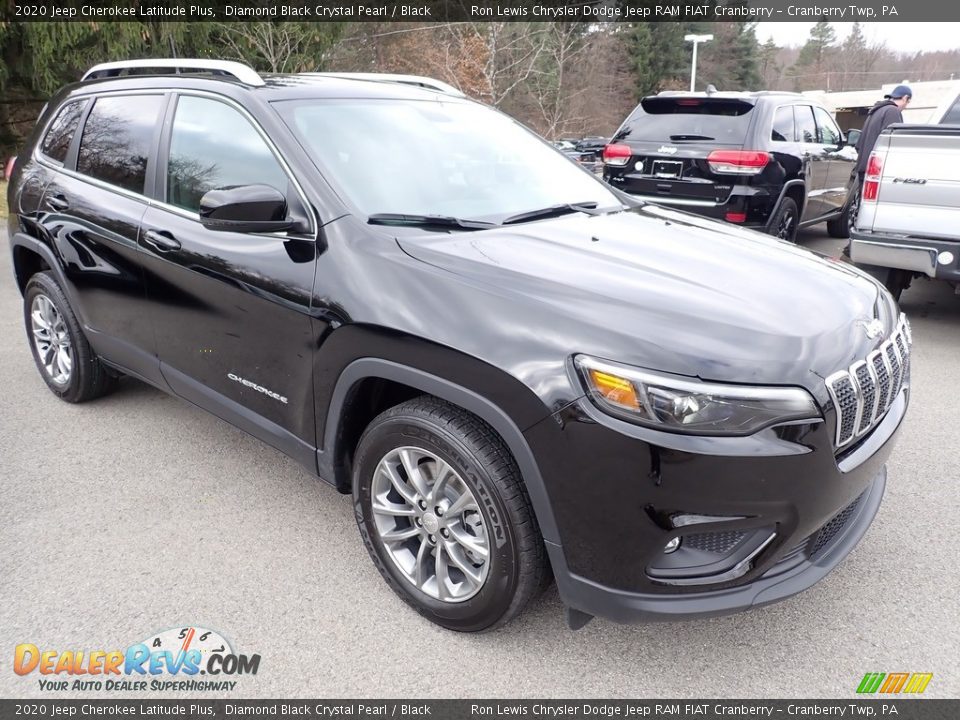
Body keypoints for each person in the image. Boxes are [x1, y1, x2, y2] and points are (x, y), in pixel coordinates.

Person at [841, 85, 912, 254]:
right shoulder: (892, 112)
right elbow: (893, 142)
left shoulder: (875, 111)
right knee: (872, 210)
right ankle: (859, 247)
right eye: (907, 102)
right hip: (878, 169)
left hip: (865, 166)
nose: (905, 106)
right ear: (904, 98)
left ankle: (853, 244)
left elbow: (860, 142)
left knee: (862, 207)